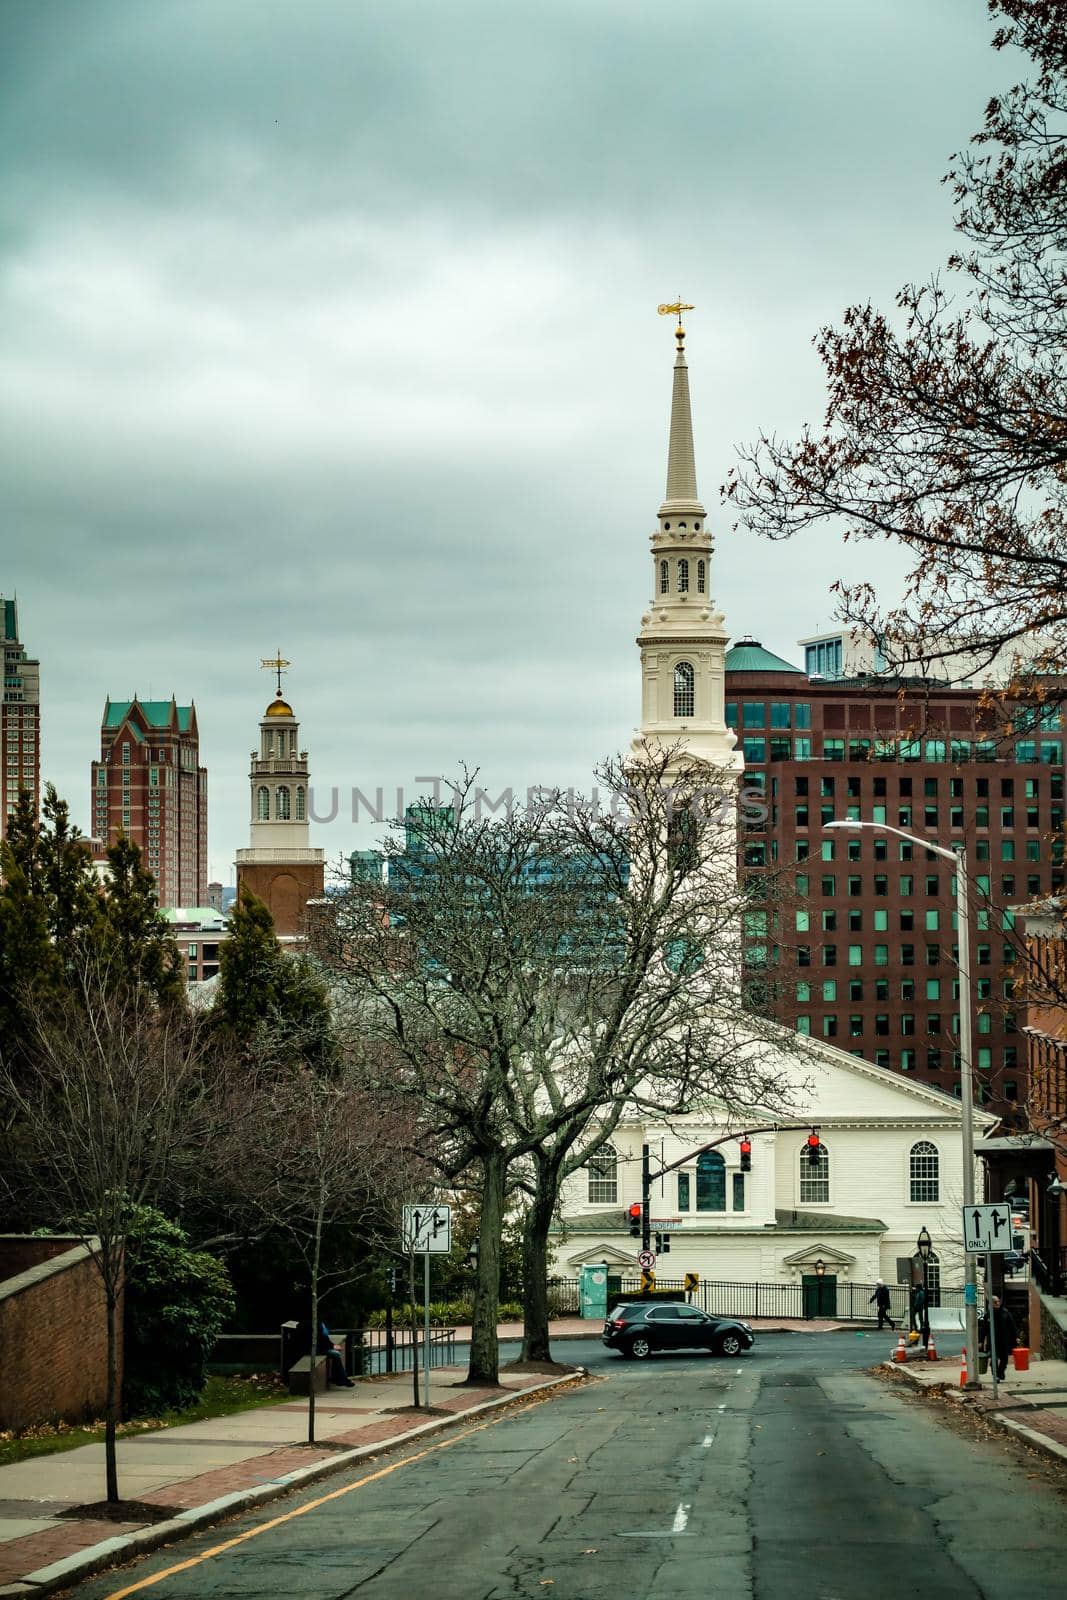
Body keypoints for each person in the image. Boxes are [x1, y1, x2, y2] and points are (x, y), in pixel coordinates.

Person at [990, 1296, 1017, 1382]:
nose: (997, 1303)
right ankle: (996, 1375)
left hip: (1004, 1340)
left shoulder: (1005, 1313)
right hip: (993, 1340)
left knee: (1004, 1359)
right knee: (994, 1359)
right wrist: (981, 1341)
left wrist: (1015, 1337)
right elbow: (984, 1328)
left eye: (998, 1301)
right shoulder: (989, 1314)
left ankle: (1000, 1372)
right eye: (995, 1302)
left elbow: (1012, 1326)